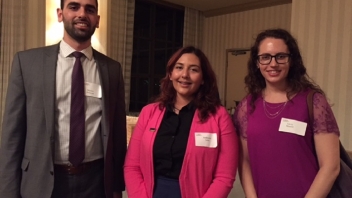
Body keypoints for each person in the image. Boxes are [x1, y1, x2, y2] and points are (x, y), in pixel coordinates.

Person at [0, 0, 126, 197]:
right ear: (60, 14)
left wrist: (117, 187)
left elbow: (117, 134)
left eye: (90, 9)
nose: (82, 14)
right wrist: (8, 192)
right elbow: (12, 137)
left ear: (98, 20)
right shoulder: (27, 63)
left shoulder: (112, 69)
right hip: (42, 182)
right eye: (74, 7)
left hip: (96, 183)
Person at [233, 28, 340, 198]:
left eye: (281, 56)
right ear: (257, 62)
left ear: (292, 61)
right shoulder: (247, 106)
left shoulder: (313, 101)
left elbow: (331, 166)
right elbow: (244, 161)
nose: (273, 64)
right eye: (265, 57)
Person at [124, 46, 239, 198]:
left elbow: (224, 177)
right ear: (171, 74)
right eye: (179, 68)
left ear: (203, 78)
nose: (185, 75)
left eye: (194, 70)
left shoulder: (219, 116)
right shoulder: (149, 112)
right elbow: (132, 166)